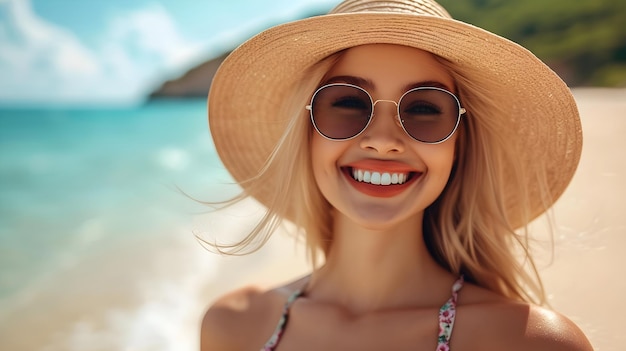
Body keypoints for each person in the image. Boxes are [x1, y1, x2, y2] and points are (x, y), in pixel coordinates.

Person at [200, 0, 594, 350]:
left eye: (424, 108)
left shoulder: (529, 342)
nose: (384, 141)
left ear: (460, 143)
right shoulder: (235, 326)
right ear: (303, 133)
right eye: (349, 102)